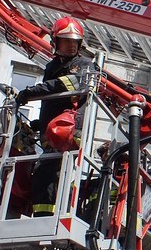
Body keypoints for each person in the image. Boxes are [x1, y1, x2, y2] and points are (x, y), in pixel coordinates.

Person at [15, 16, 96, 217]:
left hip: (69, 130)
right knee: (37, 173)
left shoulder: (84, 64)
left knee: (47, 172)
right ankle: (40, 214)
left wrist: (30, 92)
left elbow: (67, 85)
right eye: (66, 41)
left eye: (74, 41)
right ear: (55, 42)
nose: (71, 45)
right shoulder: (52, 66)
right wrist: (38, 124)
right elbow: (53, 101)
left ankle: (45, 218)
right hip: (52, 130)